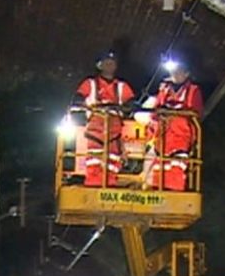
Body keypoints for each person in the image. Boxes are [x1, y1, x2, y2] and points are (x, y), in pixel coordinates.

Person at [73, 50, 136, 187]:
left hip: (114, 130)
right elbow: (78, 97)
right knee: (94, 161)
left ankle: (110, 187)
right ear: (99, 65)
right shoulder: (90, 83)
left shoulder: (121, 86)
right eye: (106, 62)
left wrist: (129, 107)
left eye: (112, 63)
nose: (109, 65)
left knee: (112, 162)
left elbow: (131, 102)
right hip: (96, 129)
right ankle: (94, 186)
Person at [148, 60, 203, 191]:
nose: (175, 74)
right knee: (159, 168)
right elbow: (155, 112)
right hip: (162, 137)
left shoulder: (193, 90)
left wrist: (173, 113)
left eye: (179, 71)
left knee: (176, 167)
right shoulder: (164, 89)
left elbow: (196, 113)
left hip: (181, 137)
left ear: (187, 73)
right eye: (174, 71)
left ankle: (174, 194)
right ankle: (157, 192)